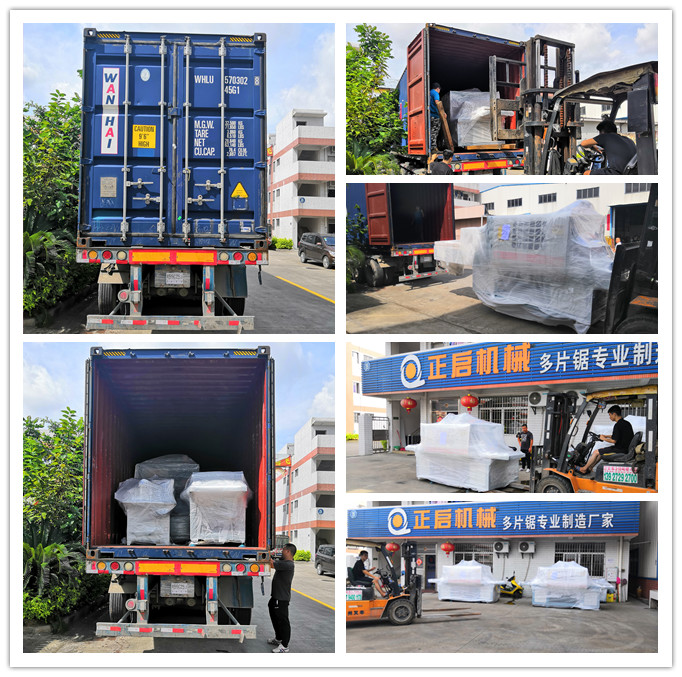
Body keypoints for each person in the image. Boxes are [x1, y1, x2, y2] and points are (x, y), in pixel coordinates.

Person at [576, 405, 634, 474]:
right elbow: (618, 436)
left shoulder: (618, 425)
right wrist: (606, 436)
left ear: (614, 414)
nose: (609, 417)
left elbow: (614, 440)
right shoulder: (626, 423)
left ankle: (584, 469)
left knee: (596, 452)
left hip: (620, 449)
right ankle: (590, 467)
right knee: (601, 451)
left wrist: (603, 438)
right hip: (624, 448)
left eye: (610, 415)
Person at [268, 543, 296, 653]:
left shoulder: (288, 564)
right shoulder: (284, 562)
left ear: (288, 551)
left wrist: (266, 552)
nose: (281, 551)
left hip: (282, 598)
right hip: (276, 596)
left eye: (283, 549)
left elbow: (271, 564)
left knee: (283, 621)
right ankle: (278, 638)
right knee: (274, 615)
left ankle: (284, 645)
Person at [429, 82, 442, 153]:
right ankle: (433, 148)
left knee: (431, 131)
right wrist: (442, 113)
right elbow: (437, 102)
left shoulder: (429, 93)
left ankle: (431, 147)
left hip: (430, 115)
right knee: (435, 131)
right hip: (435, 116)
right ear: (438, 88)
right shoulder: (435, 93)